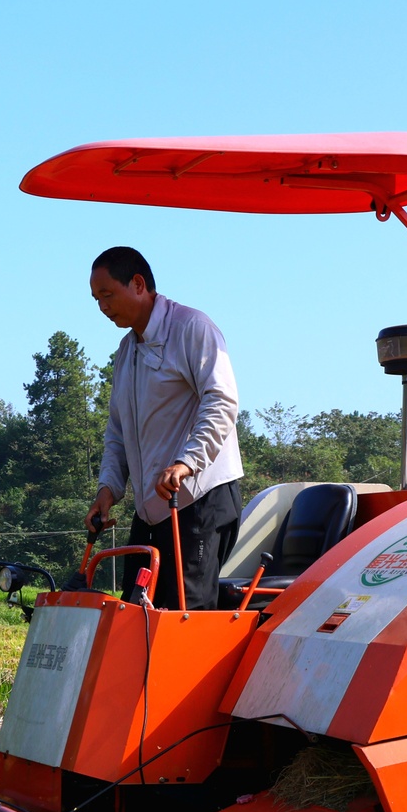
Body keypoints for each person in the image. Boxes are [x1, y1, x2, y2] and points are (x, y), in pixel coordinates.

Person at [83, 246, 243, 612]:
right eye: (96, 299)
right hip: (151, 511)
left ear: (138, 284)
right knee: (134, 612)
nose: (102, 307)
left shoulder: (192, 328)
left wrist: (187, 462)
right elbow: (118, 433)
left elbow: (221, 401)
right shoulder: (126, 351)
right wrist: (108, 489)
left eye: (107, 295)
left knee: (185, 615)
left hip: (198, 499)